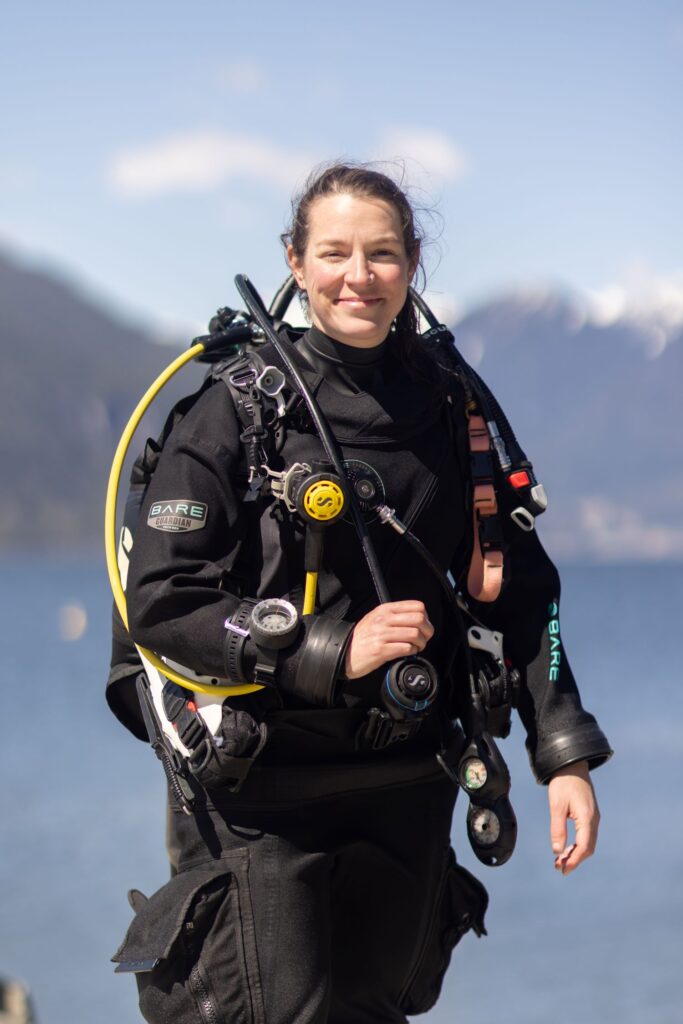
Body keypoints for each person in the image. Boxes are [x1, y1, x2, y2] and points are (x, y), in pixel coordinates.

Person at [109, 162, 612, 1024]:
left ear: (412, 262)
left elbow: (520, 589)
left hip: (406, 774)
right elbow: (160, 599)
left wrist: (560, 750)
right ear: (296, 262)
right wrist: (328, 648)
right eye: (334, 252)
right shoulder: (234, 408)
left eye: (380, 253)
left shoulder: (454, 408)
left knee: (375, 1011)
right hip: (256, 788)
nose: (358, 276)